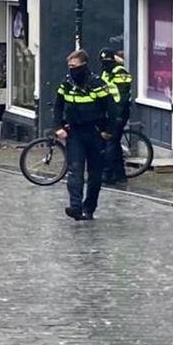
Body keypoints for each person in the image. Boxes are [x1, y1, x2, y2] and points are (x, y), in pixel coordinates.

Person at [53, 50, 116, 221]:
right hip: (75, 132)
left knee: (95, 174)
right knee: (75, 170)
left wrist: (108, 131)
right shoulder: (67, 84)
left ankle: (89, 208)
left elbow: (111, 108)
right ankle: (75, 206)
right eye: (69, 66)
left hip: (95, 133)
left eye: (74, 66)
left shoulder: (97, 84)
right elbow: (58, 106)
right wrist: (58, 126)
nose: (71, 70)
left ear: (83, 65)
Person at [99, 48, 133, 184]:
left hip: (119, 112)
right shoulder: (106, 73)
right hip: (109, 112)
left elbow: (123, 95)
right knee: (114, 142)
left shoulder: (120, 72)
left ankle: (108, 174)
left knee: (110, 142)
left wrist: (118, 115)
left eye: (107, 61)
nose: (105, 64)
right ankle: (119, 174)